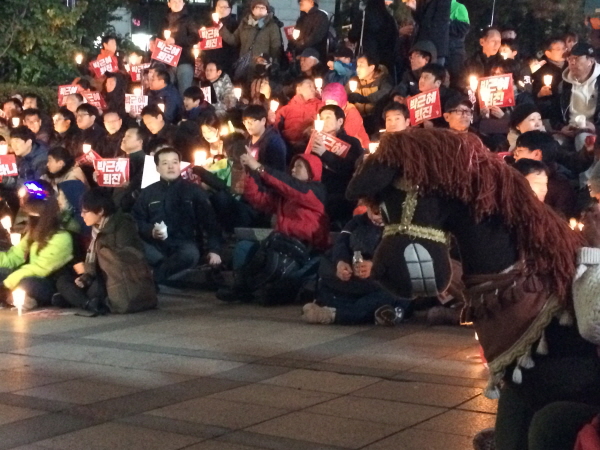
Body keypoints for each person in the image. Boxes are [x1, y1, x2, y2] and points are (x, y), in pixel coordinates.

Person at [217, 151, 329, 304]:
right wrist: (247, 173)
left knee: (275, 263)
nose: (293, 170)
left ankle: (249, 289)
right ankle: (243, 288)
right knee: (244, 247)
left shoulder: (316, 191)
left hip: (303, 249)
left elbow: (290, 186)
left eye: (299, 166)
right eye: (293, 166)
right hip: (280, 243)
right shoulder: (285, 196)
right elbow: (259, 199)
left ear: (311, 172)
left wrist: (259, 168)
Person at [303, 200, 410, 325]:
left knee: (392, 294)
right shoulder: (356, 222)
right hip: (355, 280)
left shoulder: (399, 228)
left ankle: (334, 315)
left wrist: (376, 266)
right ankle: (381, 313)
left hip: (380, 283)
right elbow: (341, 243)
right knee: (326, 278)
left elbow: (401, 256)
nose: (379, 217)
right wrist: (341, 262)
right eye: (376, 212)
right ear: (368, 207)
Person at [55, 189, 156, 314]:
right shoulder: (96, 228)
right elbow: (93, 263)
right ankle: (86, 302)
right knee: (63, 280)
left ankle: (82, 301)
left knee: (93, 290)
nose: (82, 215)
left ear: (101, 211)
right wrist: (86, 277)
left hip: (119, 279)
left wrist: (94, 262)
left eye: (85, 212)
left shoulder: (123, 224)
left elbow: (121, 261)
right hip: (99, 276)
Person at [133, 147, 222, 284]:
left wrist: (214, 250)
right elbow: (137, 220)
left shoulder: (194, 191)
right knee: (132, 245)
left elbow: (211, 223)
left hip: (184, 244)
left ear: (179, 165)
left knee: (190, 254)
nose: (171, 166)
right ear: (157, 168)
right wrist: (151, 231)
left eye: (174, 162)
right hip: (155, 246)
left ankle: (152, 278)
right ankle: (167, 274)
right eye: (165, 163)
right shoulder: (148, 192)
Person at [0, 181, 73, 311]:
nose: (26, 213)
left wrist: (6, 284)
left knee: (26, 283)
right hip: (26, 274)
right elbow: (14, 256)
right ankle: (10, 297)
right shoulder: (33, 232)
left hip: (47, 282)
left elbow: (39, 269)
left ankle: (14, 297)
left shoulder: (62, 237)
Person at [309, 105, 364, 227]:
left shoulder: (352, 143)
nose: (324, 121)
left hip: (341, 190)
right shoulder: (313, 140)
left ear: (340, 121)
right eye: (321, 118)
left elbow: (352, 168)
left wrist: (325, 154)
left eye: (328, 117)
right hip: (318, 187)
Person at [513, 130, 578, 218]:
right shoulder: (514, 176)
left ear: (537, 154)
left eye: (519, 151)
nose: (515, 156)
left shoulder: (559, 186)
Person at [219, 0, 283, 83]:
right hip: (244, 66)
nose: (260, 9)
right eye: (257, 7)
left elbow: (276, 48)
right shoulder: (244, 23)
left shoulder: (272, 26)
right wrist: (221, 29)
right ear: (252, 10)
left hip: (261, 69)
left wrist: (271, 64)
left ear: (267, 10)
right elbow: (234, 40)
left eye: (263, 7)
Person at [552, 42, 600, 151]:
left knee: (583, 139)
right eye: (570, 59)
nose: (572, 62)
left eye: (577, 59)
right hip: (569, 129)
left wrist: (595, 128)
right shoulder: (563, 84)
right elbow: (554, 112)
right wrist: (561, 128)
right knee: (554, 142)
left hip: (592, 130)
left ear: (590, 61)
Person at [348, 0, 399, 76]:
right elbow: (394, 39)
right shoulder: (389, 18)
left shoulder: (363, 16)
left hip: (366, 57)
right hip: (385, 60)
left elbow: (352, 36)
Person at [271, 78, 321, 155]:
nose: (313, 89)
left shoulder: (320, 105)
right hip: (288, 145)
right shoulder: (287, 108)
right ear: (299, 89)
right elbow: (275, 125)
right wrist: (271, 120)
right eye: (309, 86)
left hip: (310, 146)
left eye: (314, 87)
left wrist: (312, 127)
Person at [347, 54, 393, 134]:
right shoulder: (354, 81)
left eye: (361, 66)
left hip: (376, 121)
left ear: (371, 68)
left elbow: (384, 92)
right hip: (358, 121)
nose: (358, 69)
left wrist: (364, 99)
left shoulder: (382, 80)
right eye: (357, 66)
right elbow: (343, 94)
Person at [162, 0, 200, 94]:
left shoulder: (189, 20)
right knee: (167, 92)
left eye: (179, 1)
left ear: (183, 3)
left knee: (185, 92)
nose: (177, 3)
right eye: (174, 1)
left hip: (184, 60)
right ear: (169, 4)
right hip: (168, 62)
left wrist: (176, 41)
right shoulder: (164, 21)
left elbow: (195, 37)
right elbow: (159, 37)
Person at [321, 82, 369, 149]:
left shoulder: (351, 112)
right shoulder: (325, 112)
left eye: (333, 102)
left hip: (356, 147)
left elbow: (347, 135)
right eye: (328, 102)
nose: (330, 105)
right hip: (335, 145)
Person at [243, 105, 287, 172]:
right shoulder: (247, 139)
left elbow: (277, 173)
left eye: (252, 121)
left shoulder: (274, 142)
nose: (248, 125)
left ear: (263, 121)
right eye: (245, 121)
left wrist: (255, 165)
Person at [532, 38, 567, 119]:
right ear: (548, 53)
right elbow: (533, 93)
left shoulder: (571, 67)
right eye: (558, 49)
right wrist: (540, 94)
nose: (563, 52)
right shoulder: (540, 71)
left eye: (564, 48)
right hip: (551, 111)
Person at [113, 126, 146, 212]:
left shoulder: (144, 162)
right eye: (124, 136)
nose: (124, 139)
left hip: (128, 209)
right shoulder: (120, 159)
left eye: (129, 136)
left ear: (140, 142)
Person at [203, 0, 239, 76]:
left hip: (227, 61)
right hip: (210, 61)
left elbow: (235, 42)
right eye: (219, 6)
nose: (221, 9)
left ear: (230, 9)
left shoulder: (235, 24)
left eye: (225, 7)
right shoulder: (208, 24)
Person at [447, 0, 470, 83]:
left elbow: (463, 29)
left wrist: (445, 23)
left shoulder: (459, 7)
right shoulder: (432, 5)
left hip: (454, 53)